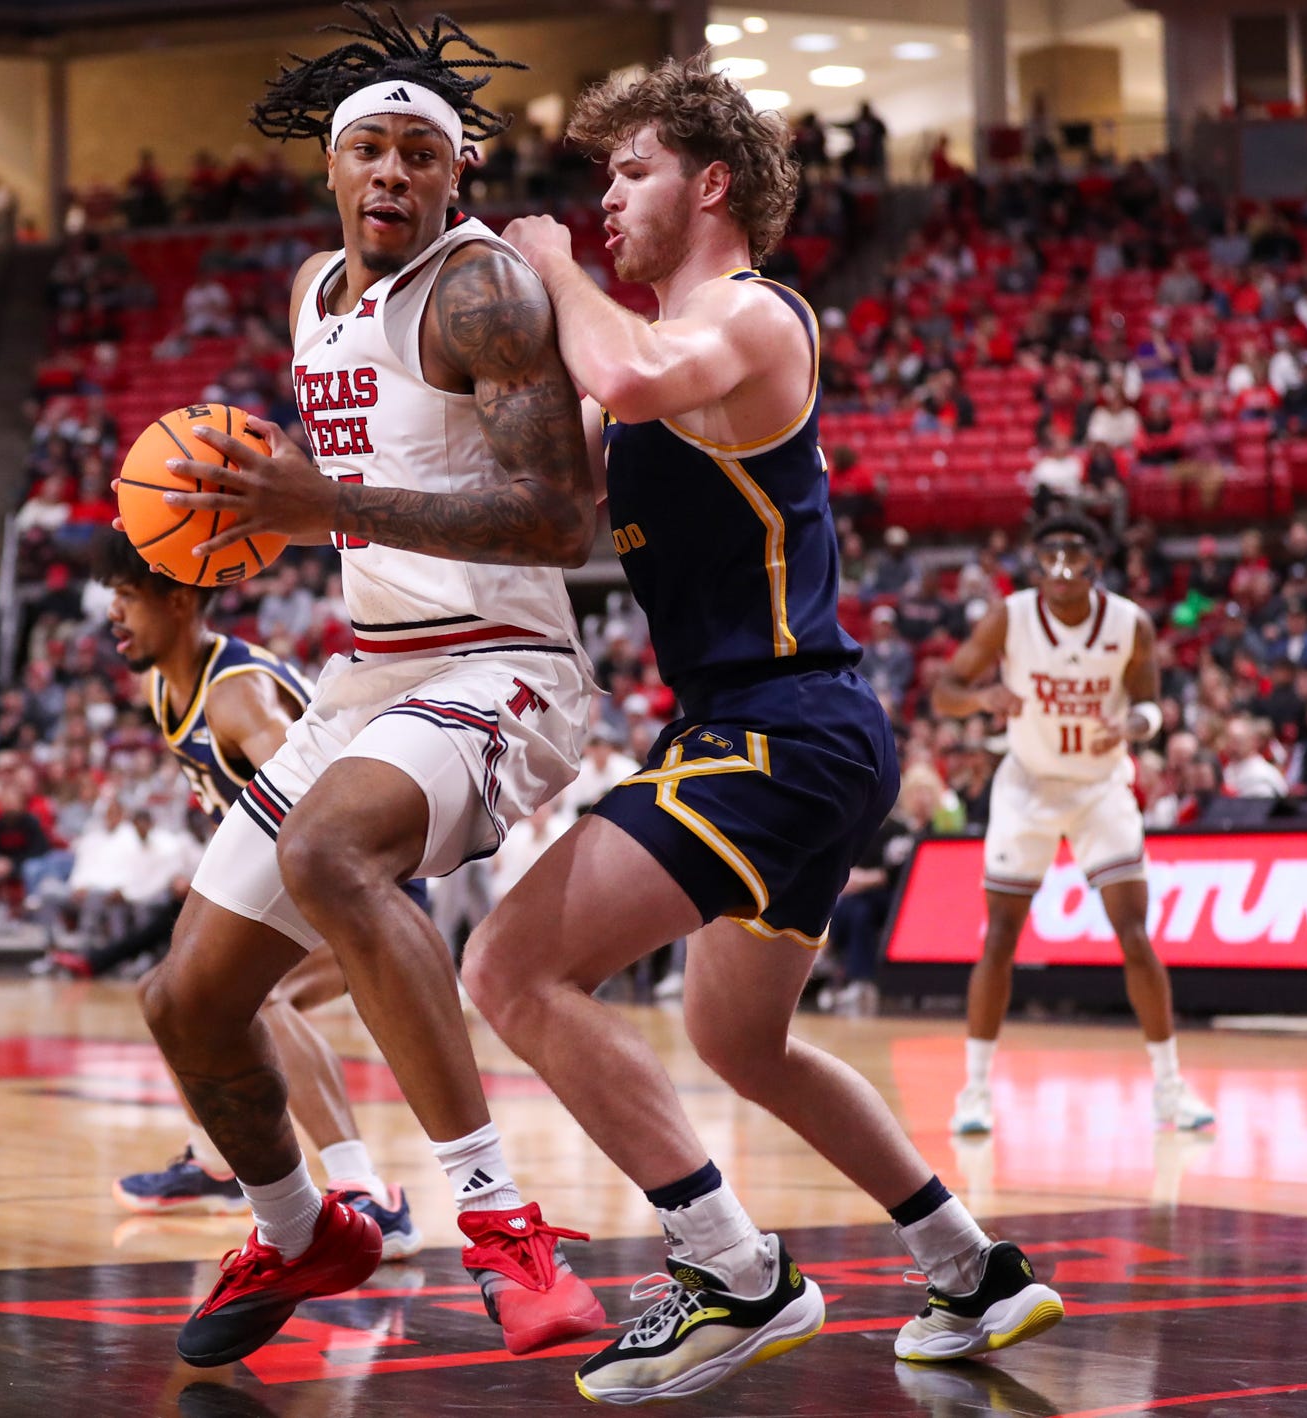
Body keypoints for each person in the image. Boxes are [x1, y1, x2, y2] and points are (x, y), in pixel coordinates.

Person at [468, 55, 1063, 1405]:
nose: (603, 202)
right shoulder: (646, 367)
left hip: (785, 728)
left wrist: (554, 265)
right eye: (599, 181)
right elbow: (551, 486)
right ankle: (974, 1267)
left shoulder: (751, 318)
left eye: (630, 171)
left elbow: (618, 371)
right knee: (743, 1043)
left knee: (508, 966)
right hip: (789, 734)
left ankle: (732, 1271)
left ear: (712, 180)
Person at [140, 6, 603, 1368]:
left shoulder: (481, 293)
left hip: (501, 665)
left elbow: (555, 516)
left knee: (331, 847)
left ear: (458, 177)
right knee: (189, 1001)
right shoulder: (310, 291)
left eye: (420, 154)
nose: (393, 175)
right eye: (370, 153)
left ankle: (501, 1222)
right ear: (332, 172)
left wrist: (320, 498)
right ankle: (300, 1225)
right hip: (373, 675)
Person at [93, 538, 420, 1259]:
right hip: (301, 876)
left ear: (179, 601)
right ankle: (218, 1162)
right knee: (178, 991)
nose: (110, 610)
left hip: (362, 871)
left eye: (126, 593)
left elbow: (318, 814)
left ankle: (367, 1192)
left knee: (251, 997)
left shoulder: (234, 694)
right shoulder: (164, 687)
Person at [934, 514, 1214, 1135]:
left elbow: (1150, 704)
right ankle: (974, 1092)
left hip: (1098, 787)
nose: (1061, 566)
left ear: (1095, 563)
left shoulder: (1129, 623)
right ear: (1035, 564)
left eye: (1073, 553)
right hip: (1028, 782)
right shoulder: (1010, 615)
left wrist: (1135, 727)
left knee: (1133, 933)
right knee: (1000, 936)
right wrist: (983, 700)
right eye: (1049, 554)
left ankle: (1169, 1087)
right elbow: (945, 691)